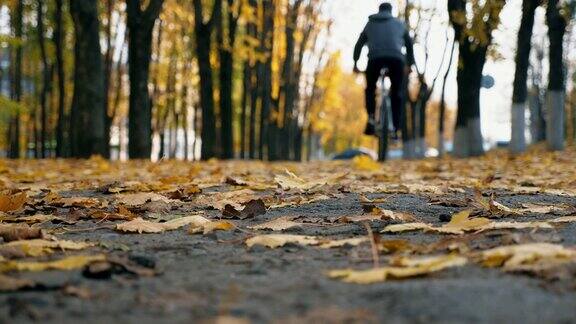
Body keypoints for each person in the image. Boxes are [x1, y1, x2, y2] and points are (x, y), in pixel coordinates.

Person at [353, 2, 415, 137]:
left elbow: (358, 45)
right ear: (390, 11)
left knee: (370, 89)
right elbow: (409, 45)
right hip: (396, 60)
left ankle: (370, 119)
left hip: (375, 59)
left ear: (379, 10)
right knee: (396, 92)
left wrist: (355, 63)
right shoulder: (399, 24)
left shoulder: (370, 23)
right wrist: (409, 65)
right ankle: (396, 127)